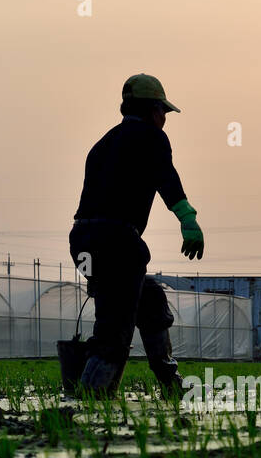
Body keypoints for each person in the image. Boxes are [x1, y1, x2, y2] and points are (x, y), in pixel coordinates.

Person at [68, 73, 204, 396]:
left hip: (84, 243)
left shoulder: (102, 144)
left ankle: (171, 385)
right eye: (164, 113)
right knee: (115, 330)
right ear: (152, 109)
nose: (165, 120)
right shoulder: (151, 138)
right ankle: (87, 398)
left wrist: (93, 270)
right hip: (118, 243)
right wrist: (188, 219)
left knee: (150, 298)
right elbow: (166, 178)